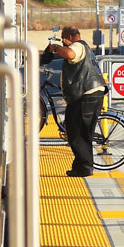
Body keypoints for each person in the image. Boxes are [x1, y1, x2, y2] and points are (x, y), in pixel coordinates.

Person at [47, 26, 106, 177]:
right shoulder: (84, 47)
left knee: (78, 132)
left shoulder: (78, 46)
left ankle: (85, 167)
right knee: (76, 131)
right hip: (87, 93)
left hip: (87, 93)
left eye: (63, 38)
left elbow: (69, 53)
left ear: (69, 37)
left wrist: (56, 46)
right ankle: (80, 166)